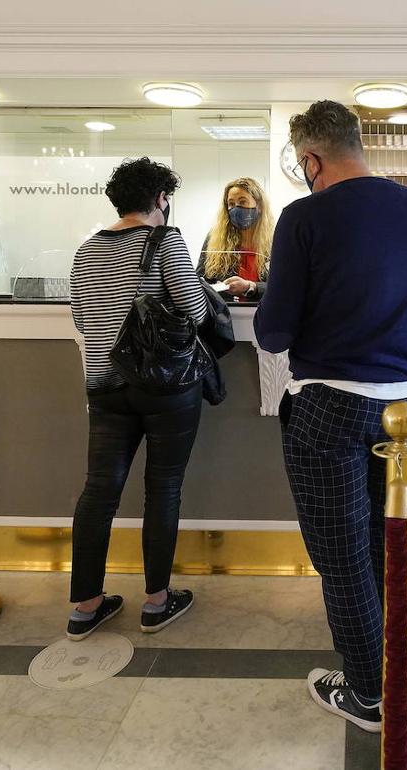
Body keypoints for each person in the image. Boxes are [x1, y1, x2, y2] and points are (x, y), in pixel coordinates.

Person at [254, 100, 407, 732]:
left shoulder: (305, 217)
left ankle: (368, 694)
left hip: (329, 406)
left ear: (310, 159)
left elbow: (274, 332)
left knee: (340, 554)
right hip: (404, 408)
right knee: (381, 542)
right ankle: (385, 660)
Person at [66, 157, 208, 640]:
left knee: (99, 492)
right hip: (165, 387)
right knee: (162, 488)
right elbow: (194, 308)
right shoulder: (165, 239)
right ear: (161, 199)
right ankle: (156, 602)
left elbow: (84, 323)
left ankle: (85, 606)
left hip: (105, 387)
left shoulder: (86, 249)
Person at [197, 177, 273, 301]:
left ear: (259, 206)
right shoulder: (214, 238)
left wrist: (251, 286)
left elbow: (284, 285)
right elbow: (200, 280)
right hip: (227, 314)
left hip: (262, 314)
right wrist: (221, 288)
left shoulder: (274, 240)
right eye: (231, 204)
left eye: (242, 202)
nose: (236, 208)